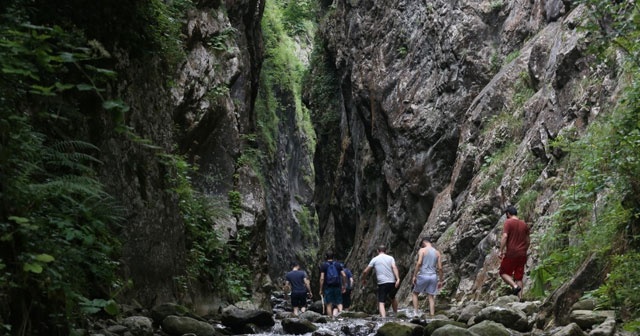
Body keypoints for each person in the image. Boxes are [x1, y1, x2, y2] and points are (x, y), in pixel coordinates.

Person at [498, 205, 530, 299]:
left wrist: (501, 251)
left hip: (512, 252)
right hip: (522, 253)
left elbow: (505, 236)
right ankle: (520, 299)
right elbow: (528, 240)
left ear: (508, 214)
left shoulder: (508, 222)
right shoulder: (524, 224)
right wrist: (524, 250)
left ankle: (515, 286)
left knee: (503, 272)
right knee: (518, 276)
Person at [361, 245, 401, 318]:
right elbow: (394, 267)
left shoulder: (375, 259)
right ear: (386, 250)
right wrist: (398, 278)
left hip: (382, 283)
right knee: (393, 298)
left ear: (377, 251)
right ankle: (396, 314)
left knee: (381, 301)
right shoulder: (390, 258)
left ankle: (383, 318)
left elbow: (365, 271)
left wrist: (363, 279)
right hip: (392, 281)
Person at [411, 237, 443, 317]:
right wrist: (441, 280)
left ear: (423, 242)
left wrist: (414, 276)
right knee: (431, 296)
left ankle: (416, 314)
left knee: (415, 294)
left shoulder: (422, 250)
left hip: (424, 275)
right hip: (433, 276)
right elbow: (440, 268)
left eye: (422, 245)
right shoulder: (437, 252)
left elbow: (419, 263)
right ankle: (432, 315)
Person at [319, 251, 347, 317]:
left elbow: (322, 278)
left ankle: (331, 320)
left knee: (328, 304)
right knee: (339, 303)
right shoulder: (338, 264)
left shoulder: (324, 266)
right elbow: (344, 275)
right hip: (337, 286)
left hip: (328, 287)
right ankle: (341, 316)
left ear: (326, 257)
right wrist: (344, 285)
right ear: (333, 257)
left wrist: (320, 289)